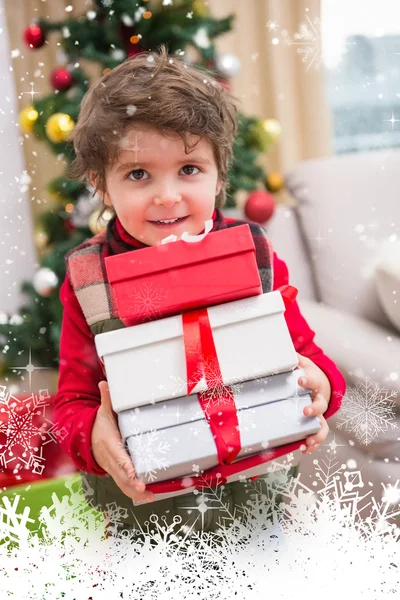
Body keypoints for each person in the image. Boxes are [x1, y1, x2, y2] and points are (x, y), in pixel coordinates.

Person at [53, 45, 346, 537]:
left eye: (188, 169)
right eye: (138, 174)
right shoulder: (89, 279)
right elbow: (71, 403)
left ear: (217, 176)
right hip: (149, 520)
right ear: (102, 185)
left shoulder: (253, 255)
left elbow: (307, 356)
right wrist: (92, 436)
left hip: (258, 505)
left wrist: (325, 386)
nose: (168, 195)